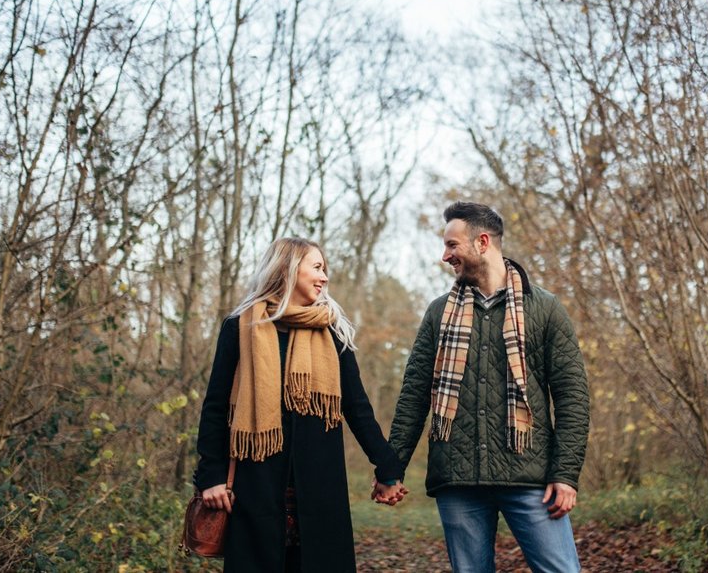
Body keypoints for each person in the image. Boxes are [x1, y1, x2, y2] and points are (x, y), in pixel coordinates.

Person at [374, 201, 590, 573]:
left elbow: (572, 397)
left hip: (531, 478)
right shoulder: (439, 313)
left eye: (452, 245)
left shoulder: (544, 309)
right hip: (458, 481)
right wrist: (391, 469)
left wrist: (565, 474)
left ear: (482, 242)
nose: (445, 256)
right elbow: (414, 397)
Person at [195, 237, 407, 572]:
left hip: (320, 489)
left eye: (326, 269)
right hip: (256, 488)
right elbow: (216, 408)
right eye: (317, 267)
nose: (325, 277)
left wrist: (388, 468)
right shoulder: (240, 327)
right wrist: (211, 475)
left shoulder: (333, 330)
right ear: (288, 268)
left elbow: (357, 408)